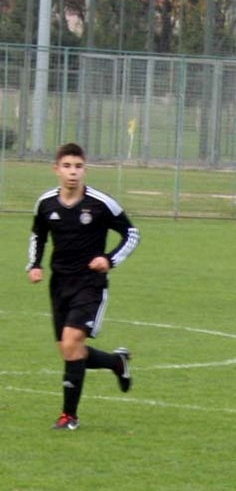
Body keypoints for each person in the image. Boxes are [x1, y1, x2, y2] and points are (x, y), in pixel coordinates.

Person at [25, 143, 139, 431]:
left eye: (78, 166)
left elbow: (131, 233)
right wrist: (35, 264)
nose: (72, 172)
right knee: (69, 349)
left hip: (90, 284)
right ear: (56, 169)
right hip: (59, 284)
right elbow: (38, 235)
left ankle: (69, 416)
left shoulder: (100, 203)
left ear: (84, 170)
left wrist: (109, 260)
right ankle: (117, 363)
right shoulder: (46, 203)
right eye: (67, 166)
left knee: (72, 342)